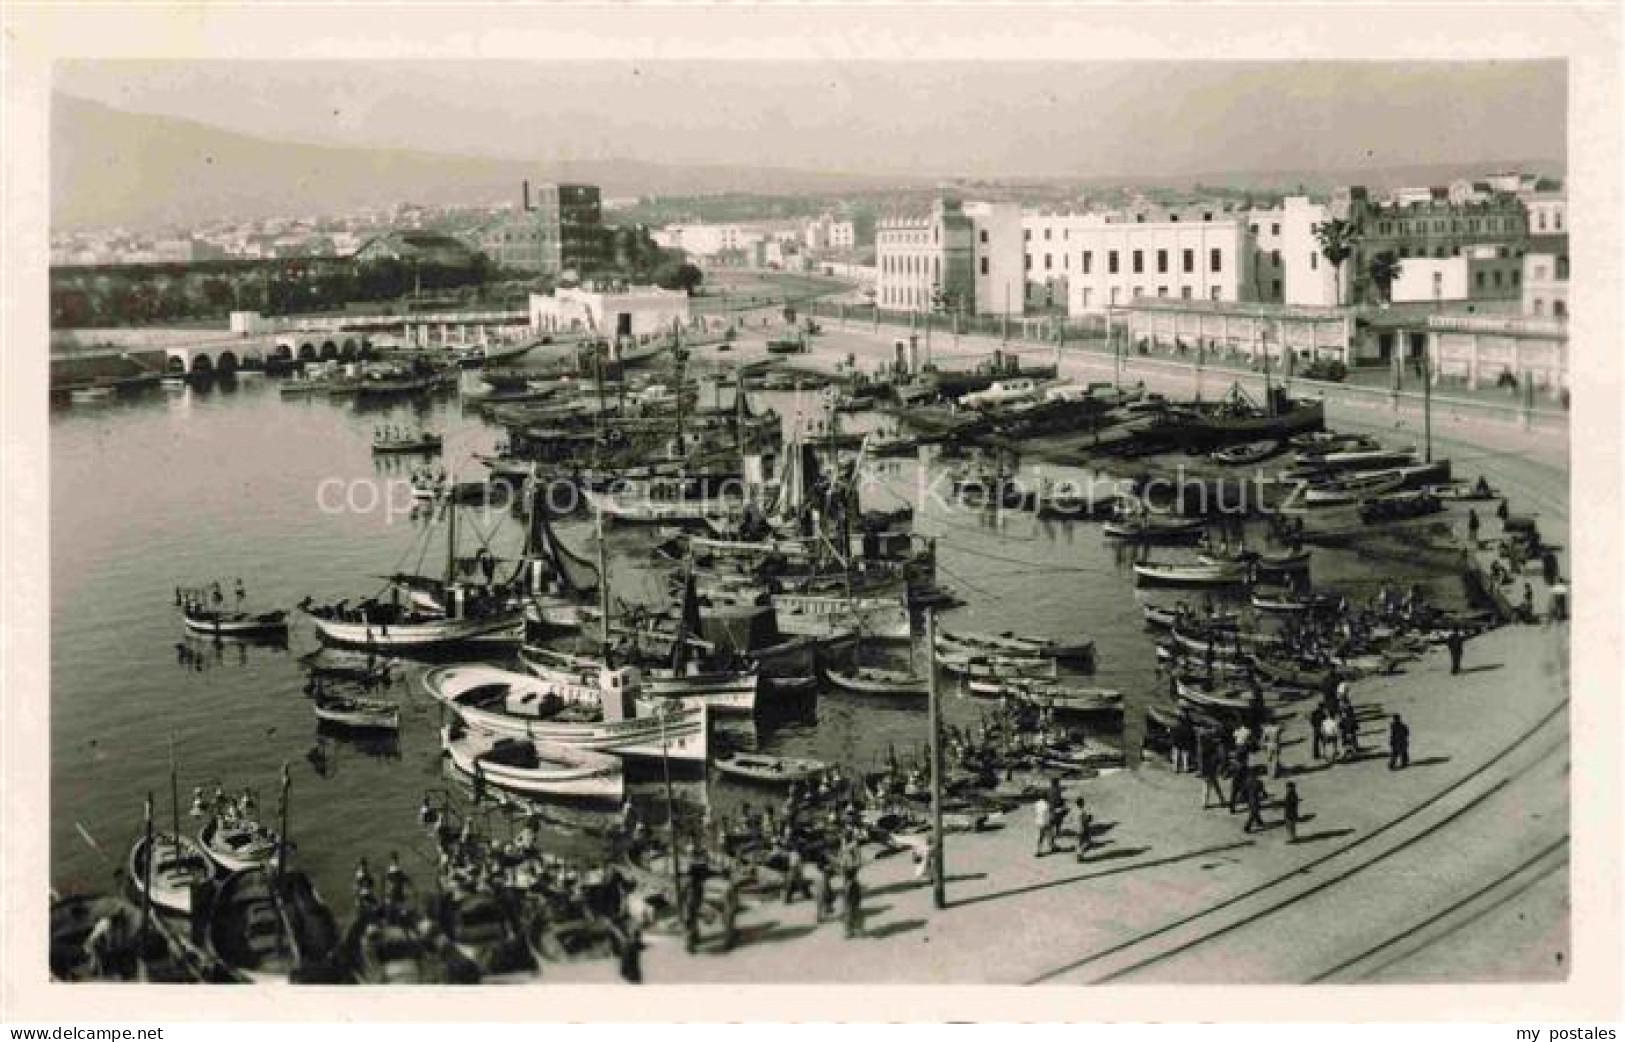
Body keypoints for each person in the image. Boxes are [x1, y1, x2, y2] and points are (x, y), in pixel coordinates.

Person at [842, 866, 865, 939]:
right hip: (849, 904)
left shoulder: (853, 884)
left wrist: (855, 902)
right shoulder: (849, 883)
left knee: (855, 917)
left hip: (853, 903)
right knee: (849, 918)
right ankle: (850, 932)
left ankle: (858, 931)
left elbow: (856, 895)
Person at [1073, 796, 1092, 862]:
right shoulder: (1082, 812)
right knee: (1087, 843)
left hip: (1076, 829)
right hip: (1082, 829)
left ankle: (1079, 855)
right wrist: (1089, 818)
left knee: (1079, 843)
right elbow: (1085, 820)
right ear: (1082, 803)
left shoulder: (1074, 811)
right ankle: (1079, 855)